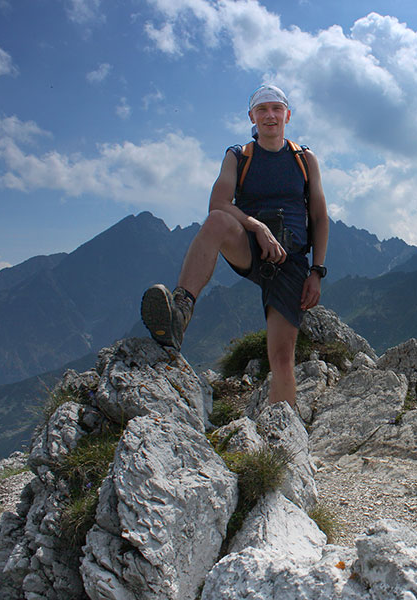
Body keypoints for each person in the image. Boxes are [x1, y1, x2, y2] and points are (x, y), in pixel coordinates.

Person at [140, 84, 329, 409]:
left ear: (287, 115)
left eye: (276, 109)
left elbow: (319, 216)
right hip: (250, 248)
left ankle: (282, 439)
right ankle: (180, 312)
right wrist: (256, 227)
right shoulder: (239, 156)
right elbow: (218, 202)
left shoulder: (304, 159)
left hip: (292, 262)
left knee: (282, 358)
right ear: (252, 118)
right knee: (216, 221)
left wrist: (317, 271)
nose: (270, 115)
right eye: (262, 110)